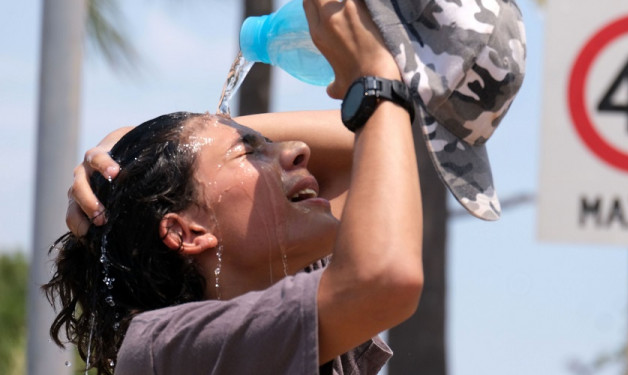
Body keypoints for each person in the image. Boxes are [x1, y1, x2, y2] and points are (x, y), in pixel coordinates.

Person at [45, 0, 422, 374]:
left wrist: (149, 139)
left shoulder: (294, 290)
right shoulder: (164, 351)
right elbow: (385, 276)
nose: (299, 150)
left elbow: (379, 141)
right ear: (185, 230)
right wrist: (376, 77)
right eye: (249, 151)